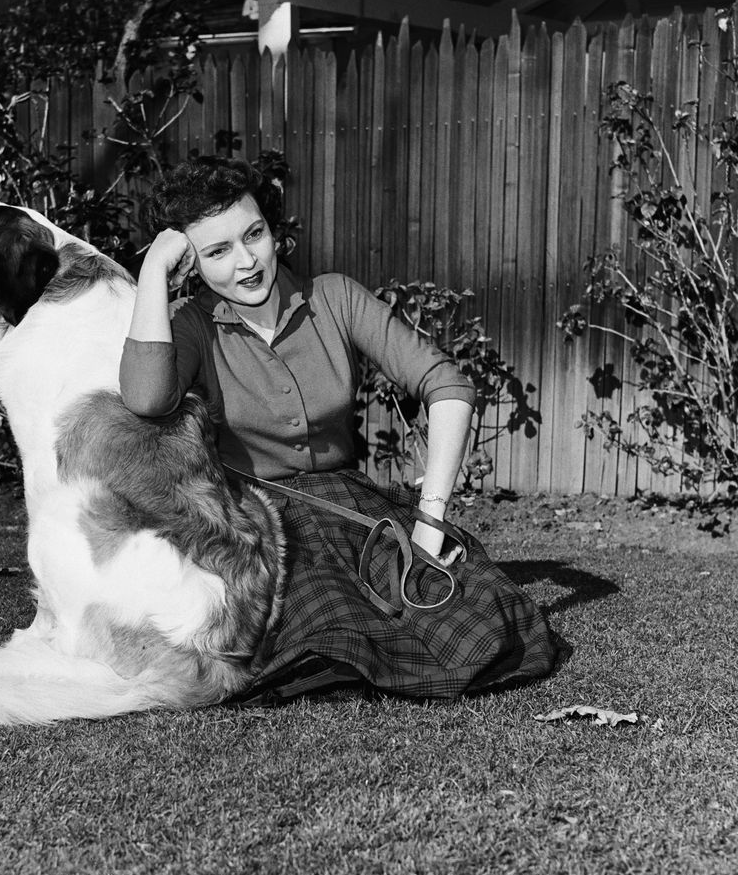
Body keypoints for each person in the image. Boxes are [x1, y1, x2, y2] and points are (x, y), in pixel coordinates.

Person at [120, 157, 558, 702]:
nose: (246, 262)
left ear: (274, 231)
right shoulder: (190, 324)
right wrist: (153, 273)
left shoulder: (335, 297)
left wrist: (430, 517)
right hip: (263, 525)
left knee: (484, 614)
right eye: (217, 251)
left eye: (253, 235)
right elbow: (145, 398)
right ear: (194, 265)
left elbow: (448, 385)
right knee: (319, 623)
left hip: (353, 510)